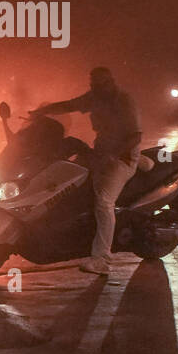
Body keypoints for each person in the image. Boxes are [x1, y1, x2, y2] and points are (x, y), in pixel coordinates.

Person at [33, 67, 142, 275]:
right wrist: (43, 111)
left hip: (122, 158)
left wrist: (113, 155)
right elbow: (70, 105)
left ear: (109, 82)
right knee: (66, 177)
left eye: (98, 84)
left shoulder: (124, 101)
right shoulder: (95, 97)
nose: (94, 88)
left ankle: (102, 259)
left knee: (103, 202)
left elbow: (135, 137)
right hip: (99, 153)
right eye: (92, 84)